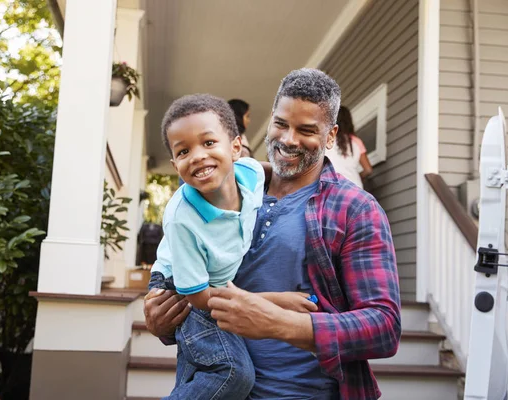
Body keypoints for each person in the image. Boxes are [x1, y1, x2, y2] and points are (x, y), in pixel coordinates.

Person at [145, 69, 401, 399]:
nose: (289, 139)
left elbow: (383, 328)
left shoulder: (355, 209)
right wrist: (161, 319)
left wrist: (278, 323)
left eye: (307, 130)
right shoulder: (213, 192)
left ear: (330, 135)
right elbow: (186, 286)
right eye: (281, 124)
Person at [149, 93, 318, 399]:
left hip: (212, 283)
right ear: (175, 165)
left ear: (236, 147)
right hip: (185, 286)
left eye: (209, 143)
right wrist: (276, 301)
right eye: (184, 151)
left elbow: (274, 174)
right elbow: (197, 297)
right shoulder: (183, 220)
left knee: (197, 377)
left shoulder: (251, 172)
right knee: (232, 373)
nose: (198, 156)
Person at [325, 105, 373, 188]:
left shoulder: (326, 138)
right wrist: (357, 176)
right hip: (355, 188)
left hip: (332, 188)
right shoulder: (356, 141)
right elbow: (368, 170)